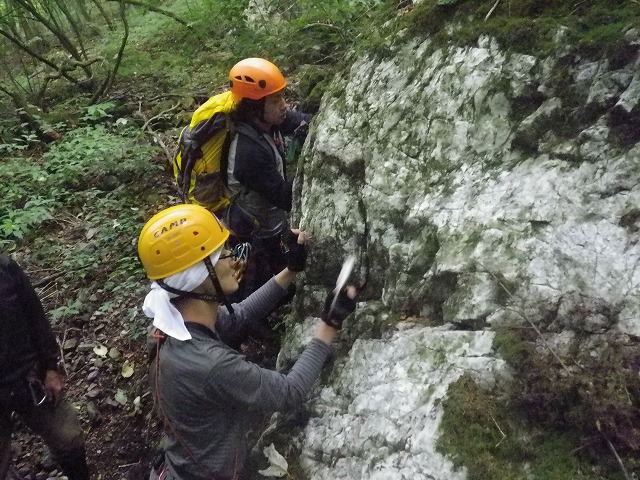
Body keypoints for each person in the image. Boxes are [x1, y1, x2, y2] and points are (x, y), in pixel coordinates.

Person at [138, 204, 355, 480]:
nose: (234, 259)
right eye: (223, 254)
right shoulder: (209, 364)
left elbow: (240, 315)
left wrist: (290, 269)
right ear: (199, 276)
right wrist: (330, 323)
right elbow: (288, 392)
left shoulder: (175, 322)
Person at [225, 58, 312, 299]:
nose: (284, 105)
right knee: (258, 294)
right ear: (254, 107)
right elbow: (285, 197)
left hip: (271, 226)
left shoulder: (267, 121)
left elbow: (299, 119)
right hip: (254, 235)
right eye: (275, 100)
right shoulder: (248, 152)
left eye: (282, 97)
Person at [0, 254, 90, 480]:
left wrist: (50, 367)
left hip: (29, 377)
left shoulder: (5, 268)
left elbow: (36, 316)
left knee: (68, 437)